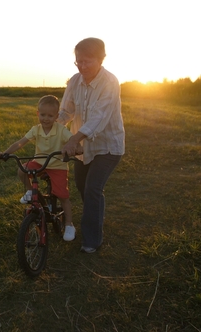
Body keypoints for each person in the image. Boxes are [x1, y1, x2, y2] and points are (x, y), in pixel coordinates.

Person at [58, 37, 125, 253]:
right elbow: (66, 111)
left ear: (101, 59)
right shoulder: (75, 81)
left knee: (93, 189)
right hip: (82, 148)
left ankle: (91, 241)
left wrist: (74, 138)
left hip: (107, 146)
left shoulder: (110, 82)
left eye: (87, 62)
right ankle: (94, 221)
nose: (82, 66)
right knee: (82, 188)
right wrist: (51, 128)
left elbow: (99, 117)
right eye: (78, 61)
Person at [0, 95, 76, 241]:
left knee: (63, 196)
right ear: (37, 113)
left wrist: (75, 148)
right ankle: (29, 191)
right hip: (39, 163)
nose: (46, 118)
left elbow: (72, 141)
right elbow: (20, 143)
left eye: (50, 115)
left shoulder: (61, 130)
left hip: (57, 166)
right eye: (43, 114)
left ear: (57, 116)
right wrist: (5, 153)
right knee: (22, 170)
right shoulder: (36, 129)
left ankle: (69, 224)